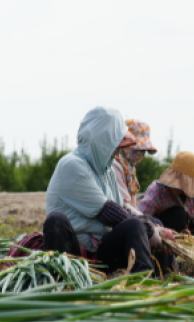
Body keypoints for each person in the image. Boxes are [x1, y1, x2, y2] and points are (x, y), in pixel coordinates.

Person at [43, 106, 175, 275]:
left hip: (100, 247)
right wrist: (151, 231)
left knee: (145, 222)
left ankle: (165, 276)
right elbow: (109, 212)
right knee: (56, 219)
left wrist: (155, 226)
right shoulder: (72, 165)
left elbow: (123, 208)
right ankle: (142, 280)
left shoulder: (107, 170)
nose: (117, 151)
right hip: (75, 250)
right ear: (104, 143)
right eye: (115, 145)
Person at [137, 151, 194, 242]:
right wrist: (157, 230)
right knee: (179, 214)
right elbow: (140, 218)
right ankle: (170, 254)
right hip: (164, 232)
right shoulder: (157, 190)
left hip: (189, 230)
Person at [112, 119, 157, 213]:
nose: (140, 154)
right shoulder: (114, 165)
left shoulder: (130, 168)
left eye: (144, 150)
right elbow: (123, 205)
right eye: (137, 149)